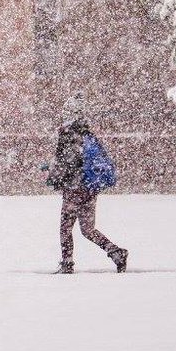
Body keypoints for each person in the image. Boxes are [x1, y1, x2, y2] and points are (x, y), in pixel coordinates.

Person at [45, 95, 128, 274]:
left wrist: (54, 174)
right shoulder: (87, 132)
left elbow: (67, 162)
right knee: (88, 229)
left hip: (75, 189)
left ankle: (67, 264)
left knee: (65, 228)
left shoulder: (66, 132)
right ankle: (116, 252)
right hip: (90, 188)